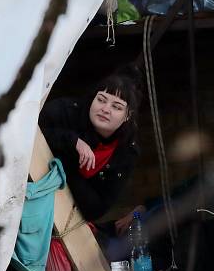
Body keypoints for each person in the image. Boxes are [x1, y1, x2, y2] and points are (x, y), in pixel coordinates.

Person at [39, 68, 142, 223]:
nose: (105, 109)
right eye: (101, 99)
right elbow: (27, 134)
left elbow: (96, 209)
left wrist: (66, 163)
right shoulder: (65, 111)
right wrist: (72, 141)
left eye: (117, 107)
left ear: (127, 116)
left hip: (61, 220)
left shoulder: (126, 152)